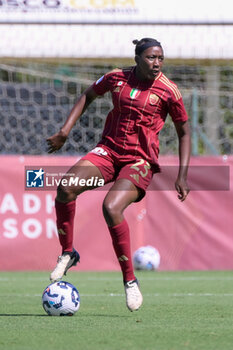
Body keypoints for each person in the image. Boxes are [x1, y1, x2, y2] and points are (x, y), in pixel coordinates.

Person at [47, 38, 191, 312]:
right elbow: (87, 95)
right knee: (65, 187)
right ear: (137, 58)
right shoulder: (117, 78)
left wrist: (182, 176)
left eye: (160, 57)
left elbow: (184, 132)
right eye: (151, 57)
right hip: (108, 153)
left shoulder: (169, 90)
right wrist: (65, 131)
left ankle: (130, 280)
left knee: (111, 207)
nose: (157, 63)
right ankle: (68, 252)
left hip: (139, 162)